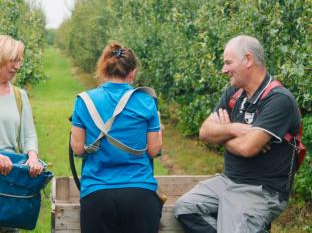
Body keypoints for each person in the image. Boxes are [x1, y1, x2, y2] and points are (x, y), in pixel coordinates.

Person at [174, 35, 301, 233]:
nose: (224, 70)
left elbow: (247, 148)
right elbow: (205, 132)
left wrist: (222, 135)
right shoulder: (234, 94)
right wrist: (234, 129)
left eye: (228, 63)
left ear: (248, 60)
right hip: (227, 181)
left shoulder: (279, 100)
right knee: (185, 208)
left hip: (261, 191)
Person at [70, 42, 163, 233]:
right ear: (133, 72)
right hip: (140, 193)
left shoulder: (84, 101)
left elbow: (78, 149)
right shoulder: (146, 101)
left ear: (103, 69)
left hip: (97, 194)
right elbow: (154, 150)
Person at [0, 35, 43, 233]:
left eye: (19, 60)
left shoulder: (19, 95)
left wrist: (32, 157)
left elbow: (28, 135)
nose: (18, 66)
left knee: (9, 226)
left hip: (8, 178)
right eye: (13, 60)